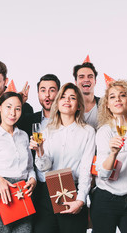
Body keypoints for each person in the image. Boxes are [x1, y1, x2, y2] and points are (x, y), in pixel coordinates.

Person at [30, 82, 95, 233]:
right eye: (63, 97)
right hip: (48, 192)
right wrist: (40, 151)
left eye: (72, 97)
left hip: (73, 191)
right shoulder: (46, 130)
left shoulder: (88, 132)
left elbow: (86, 169)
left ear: (78, 105)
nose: (67, 100)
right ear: (57, 103)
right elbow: (44, 167)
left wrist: (80, 200)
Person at [91, 80, 127, 233]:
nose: (118, 99)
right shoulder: (105, 131)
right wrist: (114, 153)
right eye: (113, 97)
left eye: (122, 95)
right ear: (107, 104)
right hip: (107, 200)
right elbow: (102, 173)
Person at [0, 92, 36, 233]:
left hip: (22, 194)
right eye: (8, 107)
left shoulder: (23, 136)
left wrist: (33, 179)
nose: (13, 112)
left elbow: (30, 168)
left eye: (18, 108)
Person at [73, 58, 100, 129]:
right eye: (81, 77)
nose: (86, 80)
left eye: (90, 77)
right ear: (75, 82)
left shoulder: (105, 105)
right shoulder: (70, 106)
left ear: (95, 81)